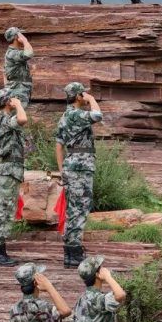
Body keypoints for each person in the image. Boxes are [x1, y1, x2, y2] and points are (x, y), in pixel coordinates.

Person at [55, 83, 103, 267]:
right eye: (83, 93)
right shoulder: (76, 114)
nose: (86, 95)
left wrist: (62, 171)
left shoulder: (64, 116)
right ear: (77, 96)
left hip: (71, 166)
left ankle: (70, 253)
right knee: (80, 208)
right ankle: (73, 253)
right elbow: (97, 115)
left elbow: (58, 145)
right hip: (80, 167)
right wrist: (92, 99)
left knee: (73, 209)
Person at [0, 87, 28, 267]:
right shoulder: (5, 119)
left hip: (11, 170)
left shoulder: (6, 118)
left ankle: (1, 252)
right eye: (12, 98)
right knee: (2, 210)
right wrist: (18, 105)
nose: (15, 99)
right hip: (7, 171)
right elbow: (23, 119)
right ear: (7, 101)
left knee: (6, 210)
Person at [3, 27, 34, 106]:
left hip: (17, 91)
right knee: (18, 113)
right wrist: (25, 40)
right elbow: (29, 53)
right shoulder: (12, 53)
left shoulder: (11, 53)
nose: (22, 36)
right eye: (20, 34)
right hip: (18, 92)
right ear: (16, 37)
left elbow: (4, 74)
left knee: (17, 113)